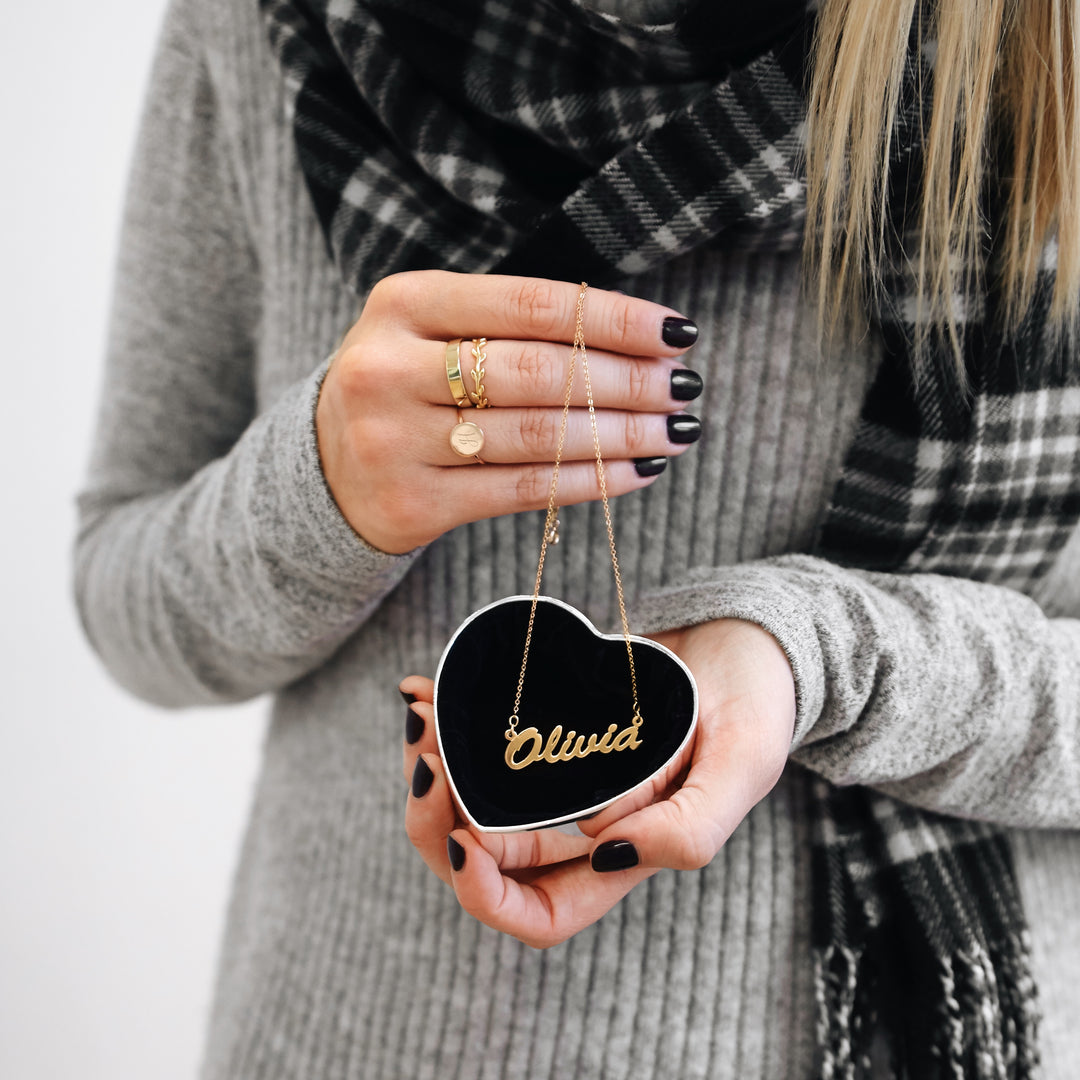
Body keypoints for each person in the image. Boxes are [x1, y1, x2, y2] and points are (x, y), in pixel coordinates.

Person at [74, 0, 1080, 1076]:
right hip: (357, 1035)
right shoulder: (263, 27)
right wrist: (319, 486)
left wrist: (827, 659)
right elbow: (121, 594)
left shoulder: (1045, 43)